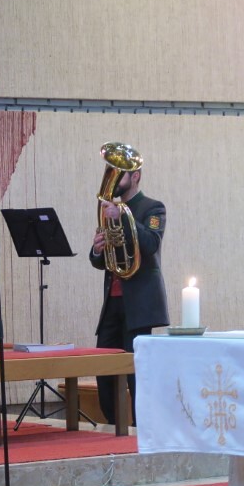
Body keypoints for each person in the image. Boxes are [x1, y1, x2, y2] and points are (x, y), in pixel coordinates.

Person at [89, 147, 169, 424]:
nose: (112, 178)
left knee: (136, 373)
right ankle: (114, 426)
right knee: (104, 370)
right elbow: (101, 261)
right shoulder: (109, 210)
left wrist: (122, 216)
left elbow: (151, 244)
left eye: (119, 173)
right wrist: (97, 249)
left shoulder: (153, 207)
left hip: (139, 305)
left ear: (136, 176)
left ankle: (139, 428)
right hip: (112, 302)